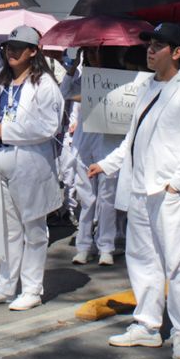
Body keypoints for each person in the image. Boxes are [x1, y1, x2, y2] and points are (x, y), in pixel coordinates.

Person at [89, 23, 180, 359]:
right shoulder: (145, 87)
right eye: (149, 45)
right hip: (140, 188)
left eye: (158, 46)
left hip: (170, 192)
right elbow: (132, 137)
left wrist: (178, 184)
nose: (150, 50)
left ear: (177, 52)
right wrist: (108, 164)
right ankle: (147, 324)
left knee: (177, 264)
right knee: (143, 260)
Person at [0, 26, 64, 312]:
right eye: (8, 47)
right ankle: (5, 285)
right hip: (0, 160)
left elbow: (49, 126)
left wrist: (9, 130)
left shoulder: (45, 85)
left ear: (33, 51)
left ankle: (31, 289)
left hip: (30, 164)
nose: (10, 52)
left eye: (18, 47)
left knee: (34, 229)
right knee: (9, 230)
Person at [71, 46, 123, 266]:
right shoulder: (83, 79)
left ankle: (106, 246)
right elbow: (66, 93)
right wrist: (71, 69)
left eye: (97, 52)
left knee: (107, 195)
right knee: (86, 196)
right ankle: (83, 245)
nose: (93, 56)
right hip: (85, 140)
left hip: (109, 139)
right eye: (90, 53)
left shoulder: (120, 79)